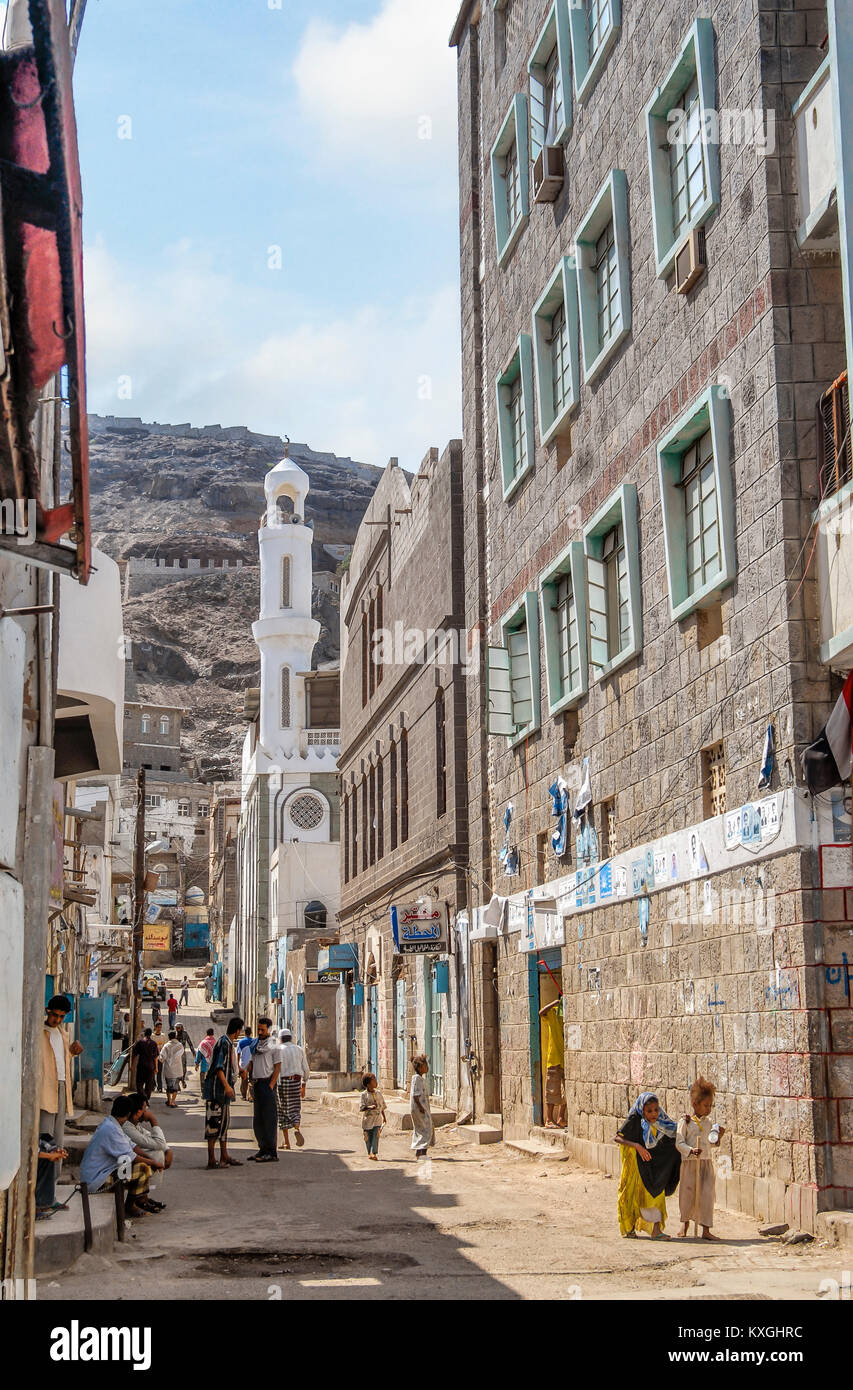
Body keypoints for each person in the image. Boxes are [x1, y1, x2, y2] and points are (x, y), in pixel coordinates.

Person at [80, 1096, 165, 1218]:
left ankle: (139, 1200)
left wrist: (151, 1159)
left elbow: (132, 1146)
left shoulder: (112, 1124)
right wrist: (152, 1163)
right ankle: (129, 1206)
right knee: (143, 1169)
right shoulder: (111, 1129)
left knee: (143, 1164)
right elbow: (132, 1156)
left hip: (100, 1173)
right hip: (96, 1180)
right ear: (129, 1113)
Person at [615, 1092, 681, 1240]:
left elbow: (674, 1134)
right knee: (631, 1195)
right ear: (642, 1110)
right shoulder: (634, 1119)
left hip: (653, 1167)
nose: (653, 1114)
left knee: (657, 1195)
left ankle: (656, 1230)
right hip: (635, 1168)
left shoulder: (661, 1122)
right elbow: (617, 1137)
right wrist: (637, 1146)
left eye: (656, 1110)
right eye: (649, 1111)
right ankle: (630, 1228)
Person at [39, 995, 83, 1211]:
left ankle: (51, 1195)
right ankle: (39, 1197)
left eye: (61, 1017)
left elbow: (62, 1062)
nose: (56, 1019)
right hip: (44, 1092)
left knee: (58, 1144)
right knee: (43, 1144)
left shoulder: (63, 1035)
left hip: (61, 1090)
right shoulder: (39, 1033)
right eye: (54, 1015)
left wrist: (73, 1053)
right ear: (48, 1012)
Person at [676, 1077, 725, 1241]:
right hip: (690, 1164)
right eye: (705, 1105)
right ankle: (684, 1223)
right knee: (687, 1194)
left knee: (706, 1195)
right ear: (695, 1104)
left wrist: (719, 1137)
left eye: (710, 1105)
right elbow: (679, 1142)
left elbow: (713, 1142)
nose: (708, 1109)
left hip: (705, 1163)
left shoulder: (709, 1123)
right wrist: (690, 1151)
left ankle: (706, 1229)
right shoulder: (685, 1122)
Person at [203, 1016, 244, 1170]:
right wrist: (227, 1086)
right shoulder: (224, 1044)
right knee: (214, 1124)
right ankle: (212, 1159)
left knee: (224, 1124)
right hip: (217, 1091)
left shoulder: (226, 1042)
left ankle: (224, 1156)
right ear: (238, 1031)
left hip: (222, 1092)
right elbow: (219, 1067)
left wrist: (239, 1071)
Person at [248, 1018, 281, 1162]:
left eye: (262, 1029)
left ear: (268, 1029)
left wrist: (271, 1084)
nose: (260, 1032)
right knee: (258, 1120)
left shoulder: (274, 1043)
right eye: (258, 1029)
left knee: (269, 1119)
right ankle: (262, 1149)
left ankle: (271, 1152)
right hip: (257, 1083)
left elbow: (278, 1066)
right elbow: (251, 1061)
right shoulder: (255, 1043)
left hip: (267, 1084)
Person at [276, 1027, 310, 1150]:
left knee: (282, 1110)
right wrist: (304, 1084)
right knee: (295, 1106)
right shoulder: (299, 1049)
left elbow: (277, 1069)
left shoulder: (278, 1050)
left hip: (283, 1082)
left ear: (280, 1039)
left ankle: (287, 1142)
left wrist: (276, 1085)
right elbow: (306, 1069)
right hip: (296, 1081)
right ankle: (296, 1126)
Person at [122, 1093, 172, 1173]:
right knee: (157, 1153)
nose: (146, 1112)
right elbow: (159, 1144)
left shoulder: (136, 1126)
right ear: (138, 1112)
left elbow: (153, 1138)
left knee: (158, 1150)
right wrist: (153, 1120)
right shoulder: (127, 1129)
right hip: (126, 1168)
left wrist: (167, 1150)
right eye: (144, 1109)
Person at [539, 996, 567, 1129]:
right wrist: (555, 1003)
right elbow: (541, 1013)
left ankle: (561, 1118)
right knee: (552, 1090)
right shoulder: (554, 1012)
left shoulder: (568, 1015)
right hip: (554, 1058)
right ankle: (549, 1119)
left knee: (565, 1092)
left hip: (565, 1059)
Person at [410, 1054, 434, 1160]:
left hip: (421, 1108)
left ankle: (419, 1152)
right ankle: (422, 1154)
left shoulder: (419, 1079)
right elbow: (416, 1095)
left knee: (421, 1130)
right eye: (425, 1066)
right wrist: (420, 1107)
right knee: (426, 1130)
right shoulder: (417, 1079)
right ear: (420, 1067)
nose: (427, 1068)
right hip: (419, 1109)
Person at [359, 1072, 386, 1161]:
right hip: (367, 1120)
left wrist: (384, 1117)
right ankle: (369, 1152)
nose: (376, 1082)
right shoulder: (364, 1095)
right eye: (374, 1080)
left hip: (377, 1119)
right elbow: (362, 1107)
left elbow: (382, 1106)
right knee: (367, 1137)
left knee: (376, 1136)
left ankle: (373, 1153)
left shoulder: (378, 1093)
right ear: (368, 1084)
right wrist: (369, 1107)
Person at [131, 1028, 159, 1099]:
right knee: (149, 1084)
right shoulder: (154, 1043)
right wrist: (156, 1068)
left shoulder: (140, 1042)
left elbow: (134, 1055)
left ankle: (142, 1097)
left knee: (139, 1083)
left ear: (144, 1033)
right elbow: (155, 1057)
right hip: (151, 1066)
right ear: (150, 1034)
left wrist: (132, 1066)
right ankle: (146, 1099)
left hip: (141, 1065)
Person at [160, 1031, 184, 1107]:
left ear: (169, 1037)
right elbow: (181, 1054)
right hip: (177, 1070)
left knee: (168, 1086)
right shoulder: (180, 1045)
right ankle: (173, 1102)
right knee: (175, 1086)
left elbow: (162, 1058)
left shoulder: (166, 1046)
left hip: (168, 1070)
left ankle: (169, 1100)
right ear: (175, 1037)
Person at [236, 1025, 255, 1100]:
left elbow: (238, 1054)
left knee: (244, 1079)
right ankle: (251, 1096)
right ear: (251, 1033)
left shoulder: (240, 1042)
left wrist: (237, 1065)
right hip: (252, 1063)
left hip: (243, 1064)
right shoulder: (254, 1041)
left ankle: (244, 1095)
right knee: (251, 1079)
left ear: (244, 1033)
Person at [174, 1023, 196, 1089]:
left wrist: (193, 1051)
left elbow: (189, 1042)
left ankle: (183, 1080)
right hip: (176, 1054)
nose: (177, 1029)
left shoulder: (185, 1034)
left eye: (179, 1028)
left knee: (184, 1067)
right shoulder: (174, 1034)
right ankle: (177, 1083)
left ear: (182, 1028)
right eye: (176, 1028)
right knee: (176, 1068)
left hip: (183, 1053)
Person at [151, 1020, 167, 1092]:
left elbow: (164, 1046)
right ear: (155, 1027)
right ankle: (153, 1085)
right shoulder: (152, 1036)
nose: (159, 1029)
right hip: (153, 1057)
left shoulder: (163, 1036)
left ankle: (160, 1086)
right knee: (152, 1072)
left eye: (160, 1027)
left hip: (160, 1057)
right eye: (158, 1027)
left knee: (159, 1072)